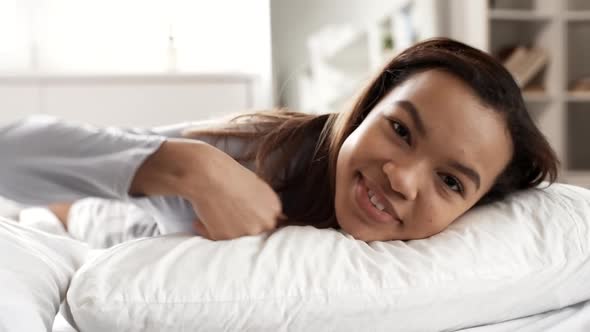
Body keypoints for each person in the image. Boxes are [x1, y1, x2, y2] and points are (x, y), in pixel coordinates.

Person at [0, 38, 559, 244]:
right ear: (364, 111)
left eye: (450, 180)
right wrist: (185, 165)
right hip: (83, 218)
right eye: (400, 129)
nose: (401, 176)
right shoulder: (253, 154)